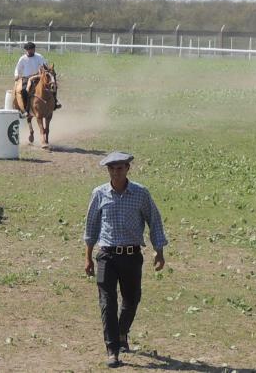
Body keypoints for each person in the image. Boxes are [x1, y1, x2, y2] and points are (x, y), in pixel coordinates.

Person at [84, 151, 167, 368]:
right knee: (107, 302)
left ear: (127, 169)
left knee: (132, 299)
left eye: (120, 168)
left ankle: (122, 332)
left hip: (131, 256)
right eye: (111, 169)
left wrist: (159, 251)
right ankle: (112, 350)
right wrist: (88, 257)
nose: (115, 172)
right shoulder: (99, 194)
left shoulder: (140, 193)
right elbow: (91, 226)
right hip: (106, 256)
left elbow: (154, 221)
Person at [13, 41, 60, 114]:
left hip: (39, 76)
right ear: (26, 50)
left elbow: (45, 66)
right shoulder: (22, 59)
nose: (32, 51)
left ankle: (55, 102)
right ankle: (25, 108)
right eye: (30, 49)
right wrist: (16, 75)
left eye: (33, 49)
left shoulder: (39, 57)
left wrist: (44, 71)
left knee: (53, 86)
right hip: (27, 78)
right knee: (24, 90)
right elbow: (17, 68)